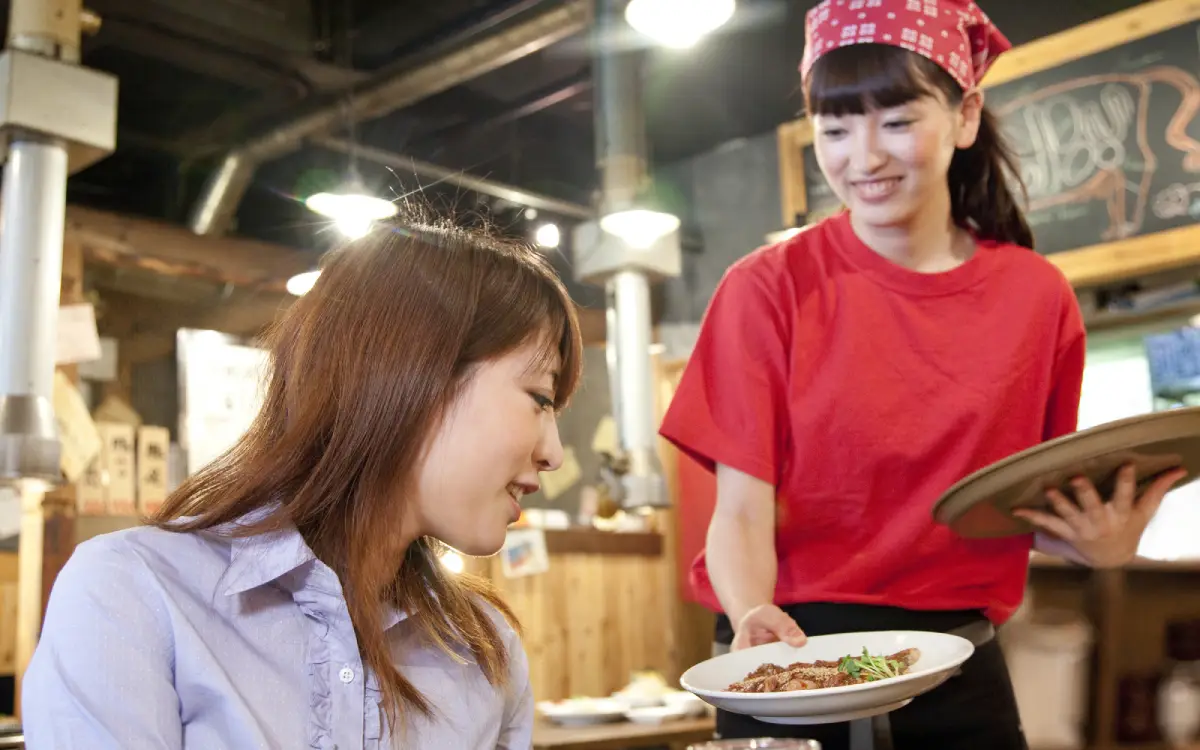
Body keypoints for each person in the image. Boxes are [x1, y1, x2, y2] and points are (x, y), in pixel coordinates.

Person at [659, 2, 1186, 749]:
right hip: (788, 655)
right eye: (835, 130)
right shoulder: (767, 288)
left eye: (897, 121)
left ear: (966, 115)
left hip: (956, 663)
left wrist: (1097, 544)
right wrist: (752, 616)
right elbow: (741, 512)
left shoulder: (1037, 300)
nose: (862, 157)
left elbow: (1014, 508)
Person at [22, 217, 583, 748]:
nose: (553, 453)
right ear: (415, 372)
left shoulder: (485, 650)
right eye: (539, 398)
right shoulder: (132, 594)